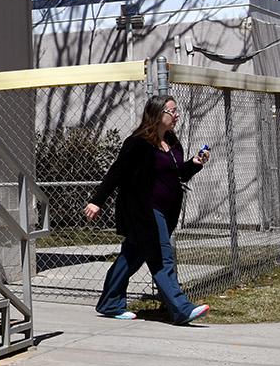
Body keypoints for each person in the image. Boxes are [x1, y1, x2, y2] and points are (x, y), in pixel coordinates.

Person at [83, 94, 212, 323]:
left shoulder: (172, 143)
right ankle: (181, 308)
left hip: (165, 209)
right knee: (161, 256)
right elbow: (117, 172)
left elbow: (176, 175)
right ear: (157, 113)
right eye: (172, 111)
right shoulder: (139, 143)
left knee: (132, 256)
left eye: (176, 110)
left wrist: (194, 164)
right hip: (144, 211)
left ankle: (110, 303)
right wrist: (97, 201)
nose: (177, 115)